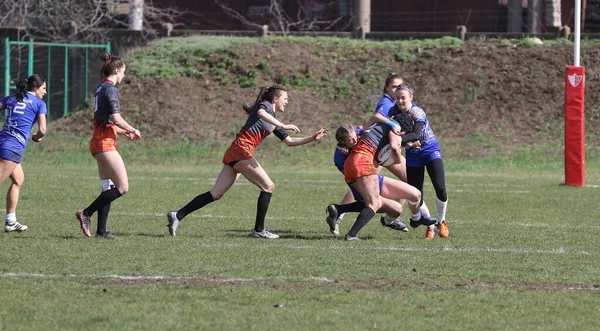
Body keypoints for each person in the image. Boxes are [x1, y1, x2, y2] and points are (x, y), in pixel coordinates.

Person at [166, 85, 327, 239]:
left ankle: (178, 215)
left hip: (236, 151)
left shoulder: (273, 119)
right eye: (285, 98)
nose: (287, 101)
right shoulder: (265, 106)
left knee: (216, 194)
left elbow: (290, 141)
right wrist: (284, 124)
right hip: (241, 150)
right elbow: (261, 114)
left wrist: (312, 138)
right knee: (268, 186)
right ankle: (259, 230)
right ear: (276, 99)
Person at [327, 124, 435, 237]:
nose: (355, 139)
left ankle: (407, 219)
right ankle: (346, 226)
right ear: (343, 141)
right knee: (374, 203)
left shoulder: (361, 132)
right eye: (351, 139)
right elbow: (356, 181)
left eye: (355, 136)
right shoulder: (340, 158)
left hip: (372, 164)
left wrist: (409, 143)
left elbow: (378, 125)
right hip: (361, 172)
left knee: (411, 192)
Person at [75, 53, 141, 239]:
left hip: (98, 142)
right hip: (105, 144)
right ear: (117, 70)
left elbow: (104, 121)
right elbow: (116, 118)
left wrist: (122, 132)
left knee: (108, 188)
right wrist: (133, 129)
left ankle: (101, 231)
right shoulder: (110, 89)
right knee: (122, 187)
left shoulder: (100, 88)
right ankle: (86, 213)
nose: (124, 76)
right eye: (124, 72)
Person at [388, 84, 449, 238]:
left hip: (430, 150)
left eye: (403, 98)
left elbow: (416, 134)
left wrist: (399, 139)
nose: (400, 101)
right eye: (397, 98)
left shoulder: (417, 111)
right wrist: (402, 141)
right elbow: (391, 134)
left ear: (411, 97)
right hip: (413, 155)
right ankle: (430, 226)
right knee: (416, 193)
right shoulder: (393, 112)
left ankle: (441, 222)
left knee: (440, 187)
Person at [0, 74, 47, 232]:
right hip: (12, 147)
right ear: (35, 88)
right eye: (43, 88)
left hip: (3, 142)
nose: (45, 92)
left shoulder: (12, 98)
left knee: (18, 180)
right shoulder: (39, 103)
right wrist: (36, 137)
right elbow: (42, 130)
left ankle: (10, 221)